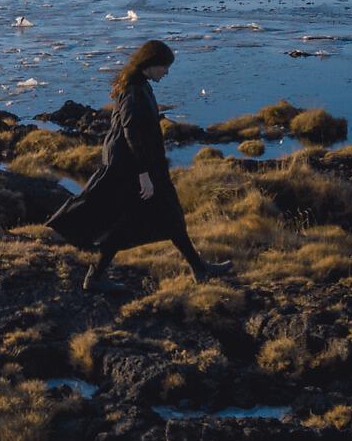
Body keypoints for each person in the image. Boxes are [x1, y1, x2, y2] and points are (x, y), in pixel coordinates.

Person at [46, 39, 231, 291]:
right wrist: (144, 174)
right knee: (132, 222)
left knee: (170, 216)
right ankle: (96, 277)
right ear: (151, 64)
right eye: (164, 67)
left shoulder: (140, 85)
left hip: (142, 164)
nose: (166, 72)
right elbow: (131, 132)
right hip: (133, 167)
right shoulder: (134, 91)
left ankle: (199, 268)